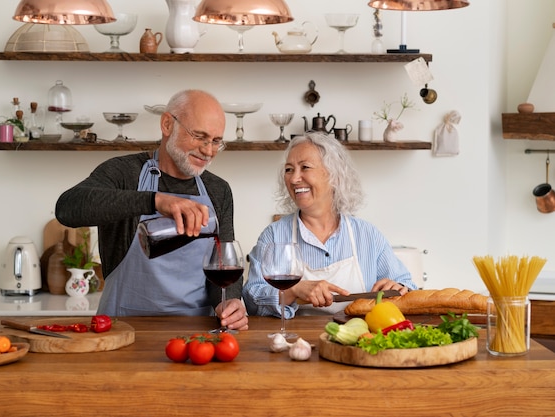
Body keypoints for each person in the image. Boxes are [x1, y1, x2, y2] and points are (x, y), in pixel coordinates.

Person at [55, 89, 248, 331]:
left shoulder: (218, 190)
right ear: (167, 124)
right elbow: (68, 207)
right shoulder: (124, 173)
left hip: (197, 334)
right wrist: (155, 201)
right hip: (121, 330)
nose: (208, 151)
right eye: (199, 136)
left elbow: (224, 264)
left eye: (216, 141)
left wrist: (229, 300)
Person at [243, 132, 417, 318]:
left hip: (356, 341)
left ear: (334, 175)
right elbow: (251, 299)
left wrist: (399, 288)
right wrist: (292, 291)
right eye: (289, 169)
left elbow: (408, 287)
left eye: (305, 167)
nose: (294, 179)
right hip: (294, 343)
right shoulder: (274, 236)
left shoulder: (367, 235)